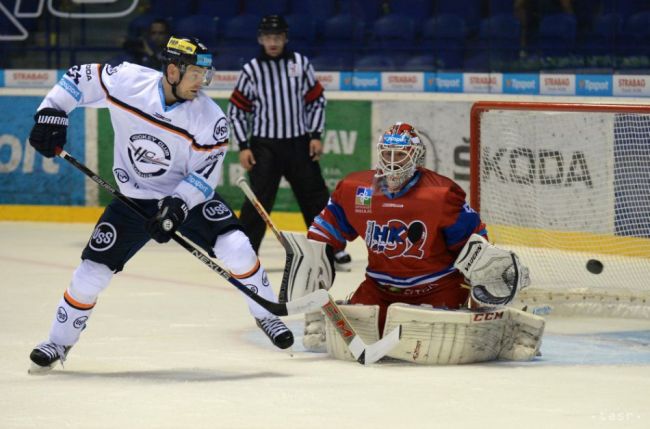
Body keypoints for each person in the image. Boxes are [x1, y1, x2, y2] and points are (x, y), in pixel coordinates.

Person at [27, 36, 293, 373]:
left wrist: (178, 206)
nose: (202, 82)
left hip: (187, 200)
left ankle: (267, 314)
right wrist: (52, 110)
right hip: (133, 199)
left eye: (206, 75)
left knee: (238, 248)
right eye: (196, 73)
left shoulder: (210, 119)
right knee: (89, 276)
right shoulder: (127, 81)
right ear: (172, 70)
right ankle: (57, 342)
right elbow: (80, 77)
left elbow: (204, 176)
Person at [307, 122, 512, 332]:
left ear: (415, 156)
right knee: (340, 335)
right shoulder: (357, 189)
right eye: (388, 154)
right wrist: (308, 264)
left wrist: (490, 281)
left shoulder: (440, 195)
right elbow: (322, 234)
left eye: (401, 155)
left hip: (437, 288)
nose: (393, 162)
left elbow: (475, 244)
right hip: (379, 289)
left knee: (427, 340)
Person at [227, 15, 351, 271]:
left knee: (315, 197)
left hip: (299, 144)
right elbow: (237, 110)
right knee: (258, 202)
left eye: (278, 37)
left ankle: (332, 249)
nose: (273, 42)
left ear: (285, 38)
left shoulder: (300, 64)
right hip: (264, 146)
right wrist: (243, 145)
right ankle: (245, 254)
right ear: (261, 39)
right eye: (268, 37)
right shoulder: (252, 70)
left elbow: (317, 100)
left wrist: (315, 135)